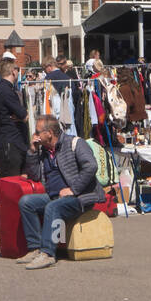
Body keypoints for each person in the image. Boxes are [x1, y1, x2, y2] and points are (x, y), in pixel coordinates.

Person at [17, 114, 104, 270]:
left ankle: (48, 254)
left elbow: (91, 166)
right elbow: (35, 175)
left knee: (53, 207)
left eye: (38, 132)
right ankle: (35, 248)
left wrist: (73, 189)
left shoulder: (75, 143)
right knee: (26, 202)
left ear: (49, 133)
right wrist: (32, 151)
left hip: (79, 197)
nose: (35, 135)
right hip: (54, 195)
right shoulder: (43, 151)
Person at [0, 61, 29, 176]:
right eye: (17, 69)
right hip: (11, 143)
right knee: (12, 181)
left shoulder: (2, 89)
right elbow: (25, 116)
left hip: (10, 141)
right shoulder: (6, 91)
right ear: (13, 71)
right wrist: (23, 114)